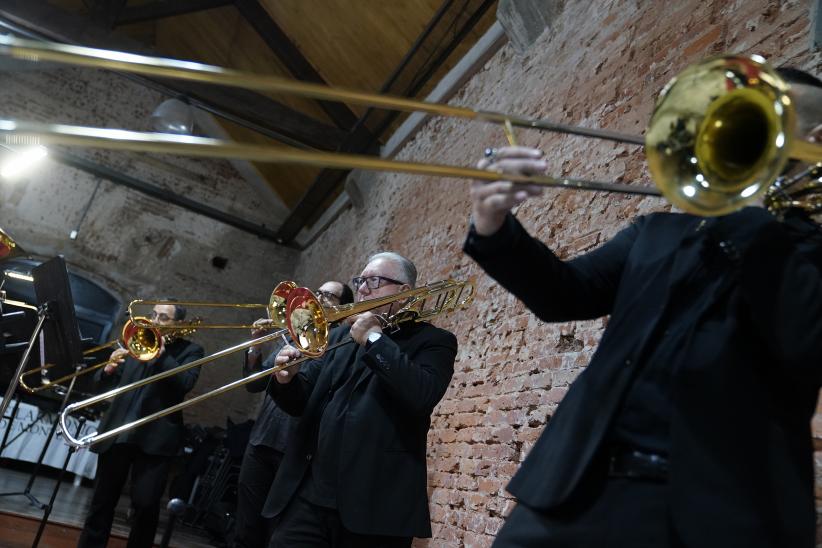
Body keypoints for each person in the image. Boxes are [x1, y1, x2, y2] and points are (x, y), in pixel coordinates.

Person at [463, 69, 822, 547]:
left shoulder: (809, 257)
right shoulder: (656, 232)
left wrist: (752, 217)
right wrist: (492, 222)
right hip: (574, 493)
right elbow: (563, 294)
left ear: (815, 141)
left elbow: (807, 345)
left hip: (719, 514)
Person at [263, 252, 458, 547]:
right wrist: (286, 378)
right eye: (361, 280)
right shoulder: (340, 336)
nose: (363, 288)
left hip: (373, 508)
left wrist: (375, 339)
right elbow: (300, 403)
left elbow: (422, 394)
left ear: (404, 292)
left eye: (374, 281)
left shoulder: (434, 342)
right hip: (308, 497)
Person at [233, 280, 354, 548]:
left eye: (329, 296)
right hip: (261, 440)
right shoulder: (294, 334)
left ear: (343, 307)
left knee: (276, 532)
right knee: (245, 526)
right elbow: (254, 384)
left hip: (295, 450)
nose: (320, 299)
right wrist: (255, 345)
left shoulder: (341, 345)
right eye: (318, 293)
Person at [78, 303, 204, 548]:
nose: (154, 321)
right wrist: (108, 370)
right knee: (101, 503)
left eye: (163, 318)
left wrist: (162, 356)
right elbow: (102, 388)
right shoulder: (135, 341)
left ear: (178, 324)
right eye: (153, 315)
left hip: (155, 440)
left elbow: (185, 383)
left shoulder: (192, 351)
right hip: (118, 435)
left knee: (146, 506)